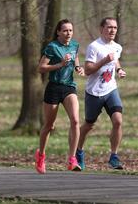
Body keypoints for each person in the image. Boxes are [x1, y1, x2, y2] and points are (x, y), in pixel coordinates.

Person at [75, 17, 126, 170]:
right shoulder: (94, 47)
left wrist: (119, 70)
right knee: (89, 125)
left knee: (118, 121)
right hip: (94, 92)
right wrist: (104, 60)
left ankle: (114, 156)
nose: (112, 30)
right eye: (109, 27)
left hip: (111, 89)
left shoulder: (117, 46)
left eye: (115, 28)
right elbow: (88, 70)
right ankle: (78, 151)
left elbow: (115, 59)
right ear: (101, 28)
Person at [35, 19, 85, 174]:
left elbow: (75, 56)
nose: (68, 33)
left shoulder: (74, 45)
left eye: (70, 30)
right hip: (54, 88)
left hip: (69, 87)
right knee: (49, 126)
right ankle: (41, 155)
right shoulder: (52, 47)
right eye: (65, 30)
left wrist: (78, 67)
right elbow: (41, 68)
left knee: (76, 121)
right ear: (58, 32)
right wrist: (60, 65)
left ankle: (72, 159)